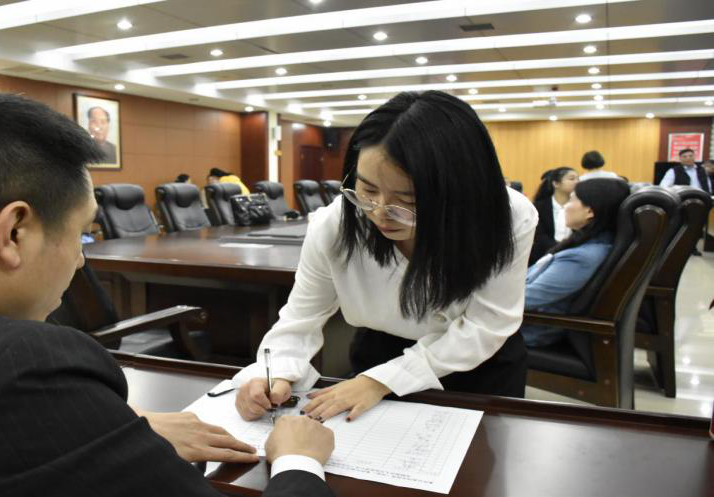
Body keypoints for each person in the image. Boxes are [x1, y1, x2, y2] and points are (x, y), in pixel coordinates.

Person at [0, 92, 335, 497]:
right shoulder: (27, 370)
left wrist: (105, 429)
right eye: (82, 234)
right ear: (14, 233)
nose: (81, 259)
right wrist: (298, 460)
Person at [233, 91, 538, 424]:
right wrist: (274, 372)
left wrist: (381, 381)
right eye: (367, 190)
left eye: (408, 199)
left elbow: (488, 324)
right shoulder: (335, 223)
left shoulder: (506, 217)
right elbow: (301, 316)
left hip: (478, 362)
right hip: (379, 355)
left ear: (460, 191)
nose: (379, 213)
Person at [521, 178, 631, 347]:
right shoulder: (595, 244)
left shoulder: (581, 258)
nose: (566, 206)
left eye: (571, 200)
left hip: (529, 329)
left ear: (589, 211)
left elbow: (526, 299)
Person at [529, 167, 578, 264]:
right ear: (556, 183)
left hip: (571, 254)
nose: (577, 182)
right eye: (572, 179)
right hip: (541, 255)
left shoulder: (580, 206)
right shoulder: (539, 206)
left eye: (578, 179)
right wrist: (557, 248)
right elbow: (538, 235)